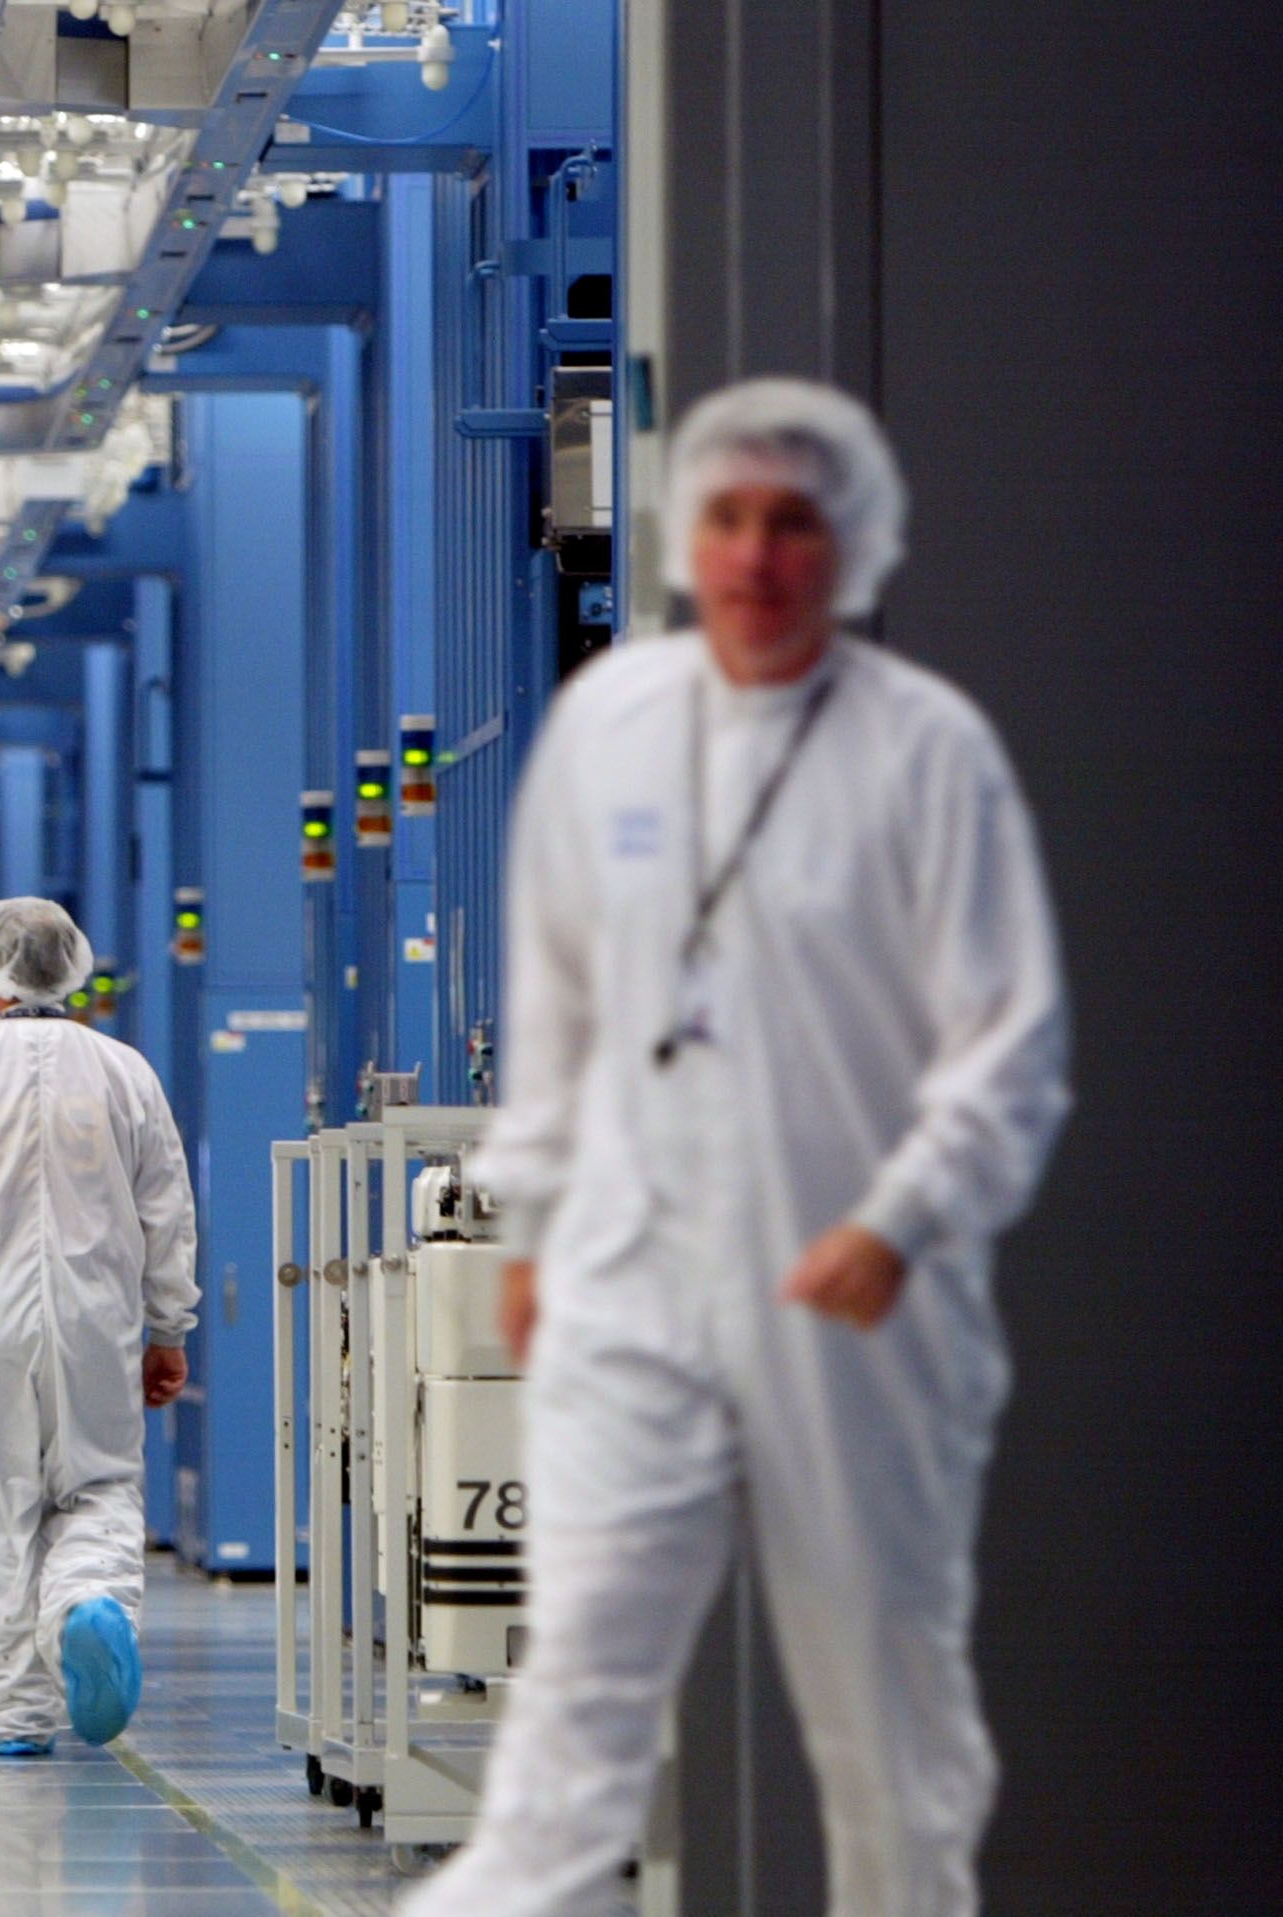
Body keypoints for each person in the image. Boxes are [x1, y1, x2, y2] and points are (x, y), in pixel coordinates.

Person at [401, 379, 1071, 1917]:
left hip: (848, 1294)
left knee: (889, 1726)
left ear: (855, 546)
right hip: (631, 1279)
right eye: (729, 518)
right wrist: (532, 1231)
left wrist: (902, 1217)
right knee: (571, 1716)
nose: (759, 554)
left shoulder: (925, 754)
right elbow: (560, 1009)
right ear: (681, 538)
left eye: (795, 523)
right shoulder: (610, 729)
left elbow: (1010, 1040)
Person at [0, 898, 197, 1758]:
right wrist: (169, 1324)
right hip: (98, 1317)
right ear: (75, 966)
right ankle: (88, 1604)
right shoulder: (126, 1072)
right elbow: (166, 1210)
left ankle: (19, 1708)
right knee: (98, 1486)